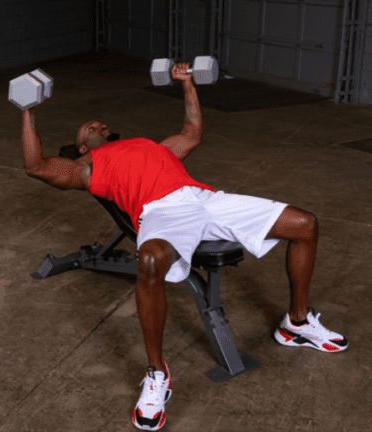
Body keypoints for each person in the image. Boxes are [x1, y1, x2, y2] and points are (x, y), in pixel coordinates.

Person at [21, 63, 348, 431]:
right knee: (148, 260)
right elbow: (35, 166)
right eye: (90, 128)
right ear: (82, 146)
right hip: (162, 214)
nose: (100, 125)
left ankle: (297, 324)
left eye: (102, 124)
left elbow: (192, 133)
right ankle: (156, 373)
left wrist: (187, 83)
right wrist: (28, 110)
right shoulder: (86, 167)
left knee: (305, 224)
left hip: (203, 199)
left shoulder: (152, 146)